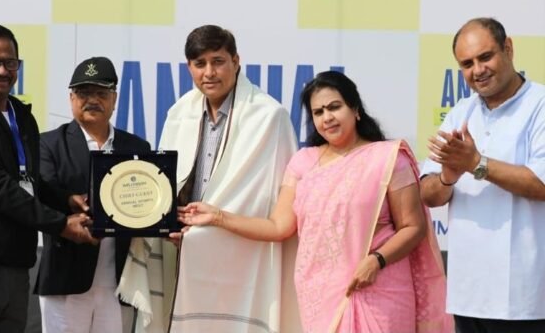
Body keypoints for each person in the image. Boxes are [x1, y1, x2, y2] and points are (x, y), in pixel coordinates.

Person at [181, 71, 454, 332]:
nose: (327, 118)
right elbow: (278, 227)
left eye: (335, 107)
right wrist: (218, 217)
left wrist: (377, 260)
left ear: (355, 109)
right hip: (321, 296)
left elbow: (413, 227)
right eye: (318, 112)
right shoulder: (304, 163)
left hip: (379, 289)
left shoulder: (388, 158)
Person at [0, 24, 96, 333]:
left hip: (16, 265)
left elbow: (27, 178)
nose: (2, 71)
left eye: (10, 62)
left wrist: (65, 200)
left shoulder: (20, 114)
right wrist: (60, 224)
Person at [155, 25, 299, 333]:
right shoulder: (178, 114)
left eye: (218, 61)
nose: (209, 72)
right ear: (189, 67)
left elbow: (277, 202)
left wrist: (216, 222)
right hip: (186, 253)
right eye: (200, 63)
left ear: (236, 61)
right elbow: (166, 187)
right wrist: (169, 225)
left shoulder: (269, 116)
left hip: (242, 257)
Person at [420, 17, 545, 333]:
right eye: (467, 64)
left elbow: (541, 184)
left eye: (485, 57)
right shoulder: (461, 112)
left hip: (527, 297)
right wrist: (448, 176)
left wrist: (477, 163)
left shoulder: (540, 104)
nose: (478, 70)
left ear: (508, 48)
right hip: (468, 294)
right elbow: (428, 193)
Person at [34, 56, 152, 333]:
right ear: (71, 98)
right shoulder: (48, 144)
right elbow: (44, 197)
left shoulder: (137, 148)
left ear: (114, 99)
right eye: (84, 93)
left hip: (120, 283)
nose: (92, 100)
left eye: (101, 93)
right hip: (66, 280)